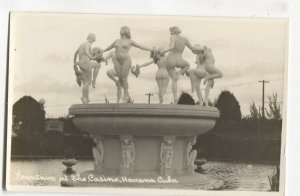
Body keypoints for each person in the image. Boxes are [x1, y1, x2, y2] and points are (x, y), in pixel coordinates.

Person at [103, 26, 154, 103]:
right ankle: (127, 93)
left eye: (123, 29)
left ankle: (126, 96)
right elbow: (109, 47)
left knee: (124, 79)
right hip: (117, 61)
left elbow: (140, 46)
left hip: (126, 60)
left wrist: (151, 49)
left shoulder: (130, 41)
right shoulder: (116, 40)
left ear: (126, 31)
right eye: (121, 28)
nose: (121, 29)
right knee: (120, 79)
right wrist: (102, 51)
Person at [160, 26, 197, 103]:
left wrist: (162, 52)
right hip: (179, 59)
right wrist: (201, 50)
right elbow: (193, 49)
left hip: (171, 58)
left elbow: (171, 47)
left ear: (173, 32)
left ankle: (175, 97)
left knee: (173, 80)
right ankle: (179, 73)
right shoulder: (184, 39)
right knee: (187, 65)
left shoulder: (173, 37)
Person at [73, 33, 102, 104]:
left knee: (86, 82)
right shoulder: (88, 44)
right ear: (92, 39)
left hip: (81, 64)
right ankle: (93, 82)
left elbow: (75, 53)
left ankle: (87, 98)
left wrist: (74, 63)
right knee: (98, 65)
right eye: (93, 40)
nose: (93, 42)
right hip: (86, 63)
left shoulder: (81, 44)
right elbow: (86, 51)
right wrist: (91, 57)